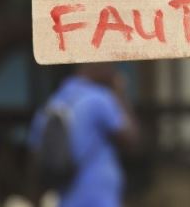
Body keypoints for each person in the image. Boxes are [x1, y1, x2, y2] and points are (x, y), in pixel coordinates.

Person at [29, 63, 139, 207]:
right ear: (95, 65)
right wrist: (119, 92)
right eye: (110, 65)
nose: (113, 70)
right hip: (97, 198)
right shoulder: (98, 99)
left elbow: (35, 158)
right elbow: (131, 140)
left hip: (66, 199)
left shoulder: (51, 104)